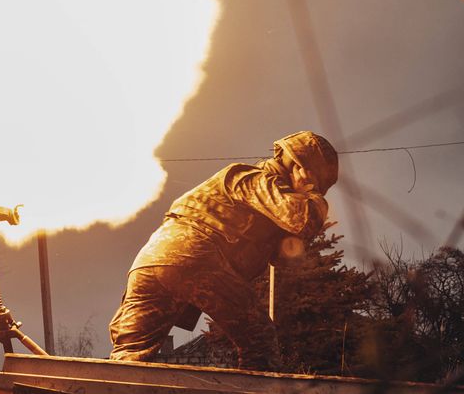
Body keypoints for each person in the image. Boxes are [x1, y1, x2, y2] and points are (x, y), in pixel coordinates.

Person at [108, 131, 338, 370]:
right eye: (316, 182)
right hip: (191, 255)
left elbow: (284, 259)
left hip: (150, 262)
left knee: (130, 356)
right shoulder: (257, 180)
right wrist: (312, 197)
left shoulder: (266, 200)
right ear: (298, 167)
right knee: (259, 339)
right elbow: (304, 218)